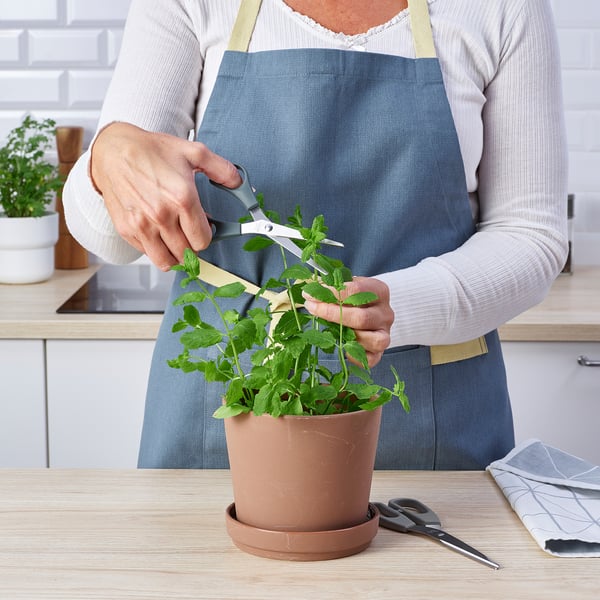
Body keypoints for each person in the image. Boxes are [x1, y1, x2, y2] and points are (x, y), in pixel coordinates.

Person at [63, 0, 568, 470]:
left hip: (434, 434)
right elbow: (109, 239)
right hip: (219, 418)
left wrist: (404, 306)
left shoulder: (502, 8)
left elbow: (531, 234)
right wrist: (108, 159)